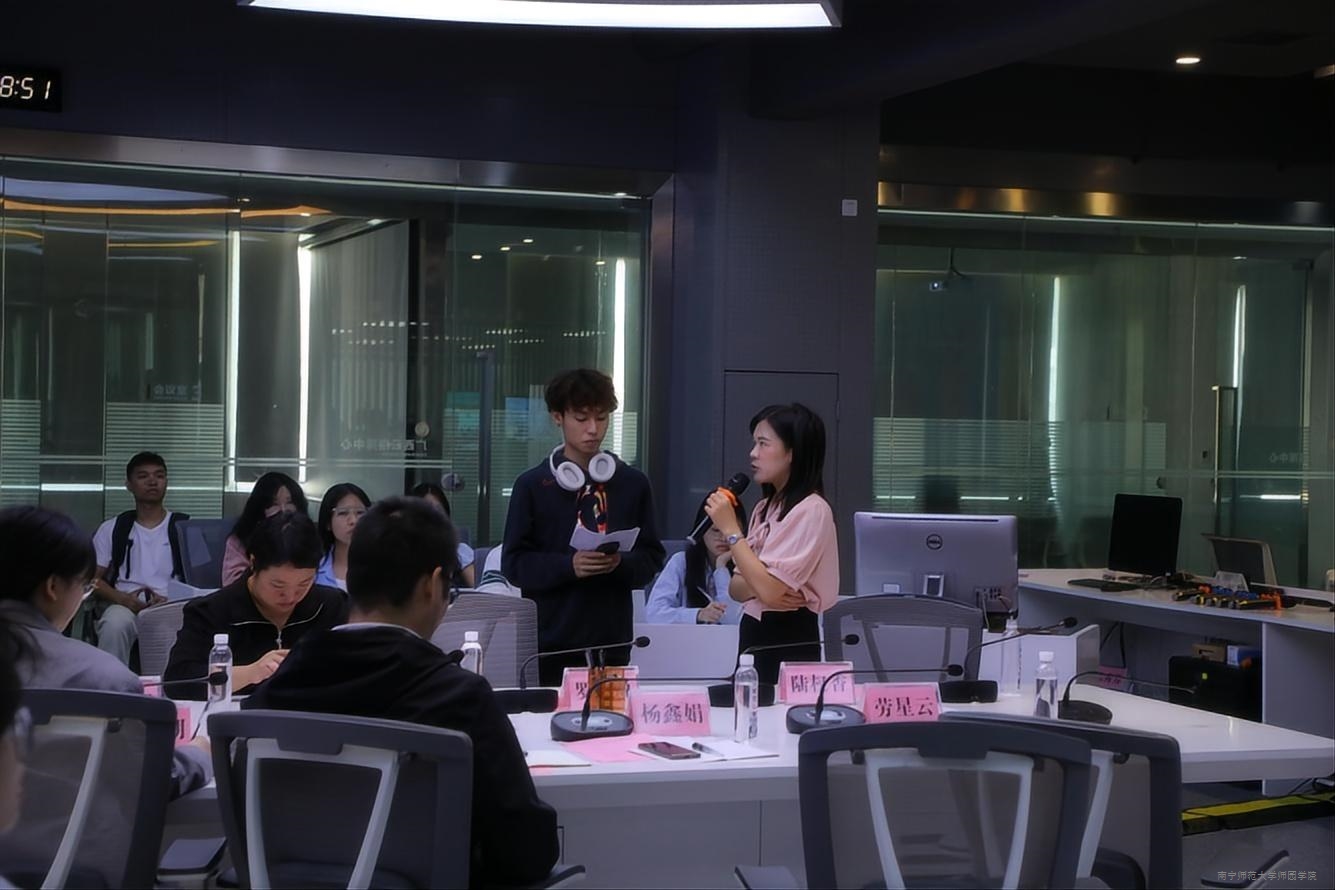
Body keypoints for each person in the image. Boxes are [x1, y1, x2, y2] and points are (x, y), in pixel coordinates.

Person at [246, 497, 559, 887]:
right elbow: (527, 852)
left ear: (352, 577)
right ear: (432, 585)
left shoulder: (279, 688)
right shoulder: (459, 697)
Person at [0, 506, 210, 797]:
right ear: (53, 587)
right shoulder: (104, 681)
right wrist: (199, 754)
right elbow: (149, 779)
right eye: (85, 587)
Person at [502, 369, 665, 686]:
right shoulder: (532, 486)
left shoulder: (632, 483)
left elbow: (652, 558)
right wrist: (569, 566)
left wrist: (619, 564)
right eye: (581, 418)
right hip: (550, 644)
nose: (593, 429)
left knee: (613, 717)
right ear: (557, 417)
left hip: (613, 644)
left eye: (602, 418)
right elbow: (514, 564)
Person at [704, 403, 840, 685]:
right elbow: (737, 589)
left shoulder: (812, 510)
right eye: (754, 443)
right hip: (754, 633)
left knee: (780, 709)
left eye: (763, 443)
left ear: (792, 452)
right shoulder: (765, 508)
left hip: (789, 636)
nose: (753, 453)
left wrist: (731, 531)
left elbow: (768, 589)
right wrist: (763, 584)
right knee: (743, 703)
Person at [165, 511, 346, 698]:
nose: (291, 596)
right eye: (278, 585)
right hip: (236, 714)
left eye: (304, 583)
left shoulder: (330, 605)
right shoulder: (212, 611)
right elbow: (178, 681)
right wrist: (250, 673)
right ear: (253, 563)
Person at [87, 452, 190, 666]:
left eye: (159, 476)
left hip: (171, 606)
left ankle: (168, 688)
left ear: (166, 482)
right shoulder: (113, 528)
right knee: (114, 625)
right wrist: (121, 598)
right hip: (124, 604)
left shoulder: (185, 527)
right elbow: (90, 579)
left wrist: (173, 599)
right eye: (143, 476)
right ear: (129, 485)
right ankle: (112, 685)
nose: (152, 481)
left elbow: (202, 581)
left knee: (175, 630)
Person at [646, 496, 747, 625]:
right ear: (701, 531)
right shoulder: (681, 562)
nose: (723, 538)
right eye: (716, 530)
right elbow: (654, 614)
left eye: (729, 532)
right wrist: (697, 614)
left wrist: (721, 567)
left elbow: (734, 620)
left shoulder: (749, 566)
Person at [221, 472, 307, 586]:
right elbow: (232, 584)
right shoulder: (240, 540)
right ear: (260, 508)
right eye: (274, 504)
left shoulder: (307, 537)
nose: (283, 509)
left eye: (289, 502)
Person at [409, 482, 476, 587]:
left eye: (438, 511)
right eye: (425, 511)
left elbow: (480, 590)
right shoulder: (400, 552)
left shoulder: (459, 551)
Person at [315, 483, 371, 591]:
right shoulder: (314, 569)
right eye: (343, 513)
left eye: (360, 513)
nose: (353, 521)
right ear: (328, 522)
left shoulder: (382, 566)